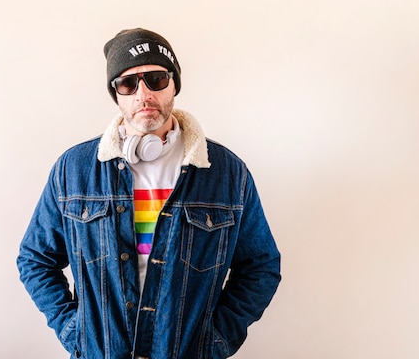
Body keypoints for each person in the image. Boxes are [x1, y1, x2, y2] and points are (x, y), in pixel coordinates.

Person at [17, 28, 281, 359]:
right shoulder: (74, 170)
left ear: (174, 84)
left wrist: (217, 340)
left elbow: (261, 265)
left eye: (155, 78)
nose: (144, 94)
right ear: (117, 95)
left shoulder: (226, 172)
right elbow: (35, 259)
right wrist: (75, 332)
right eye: (128, 83)